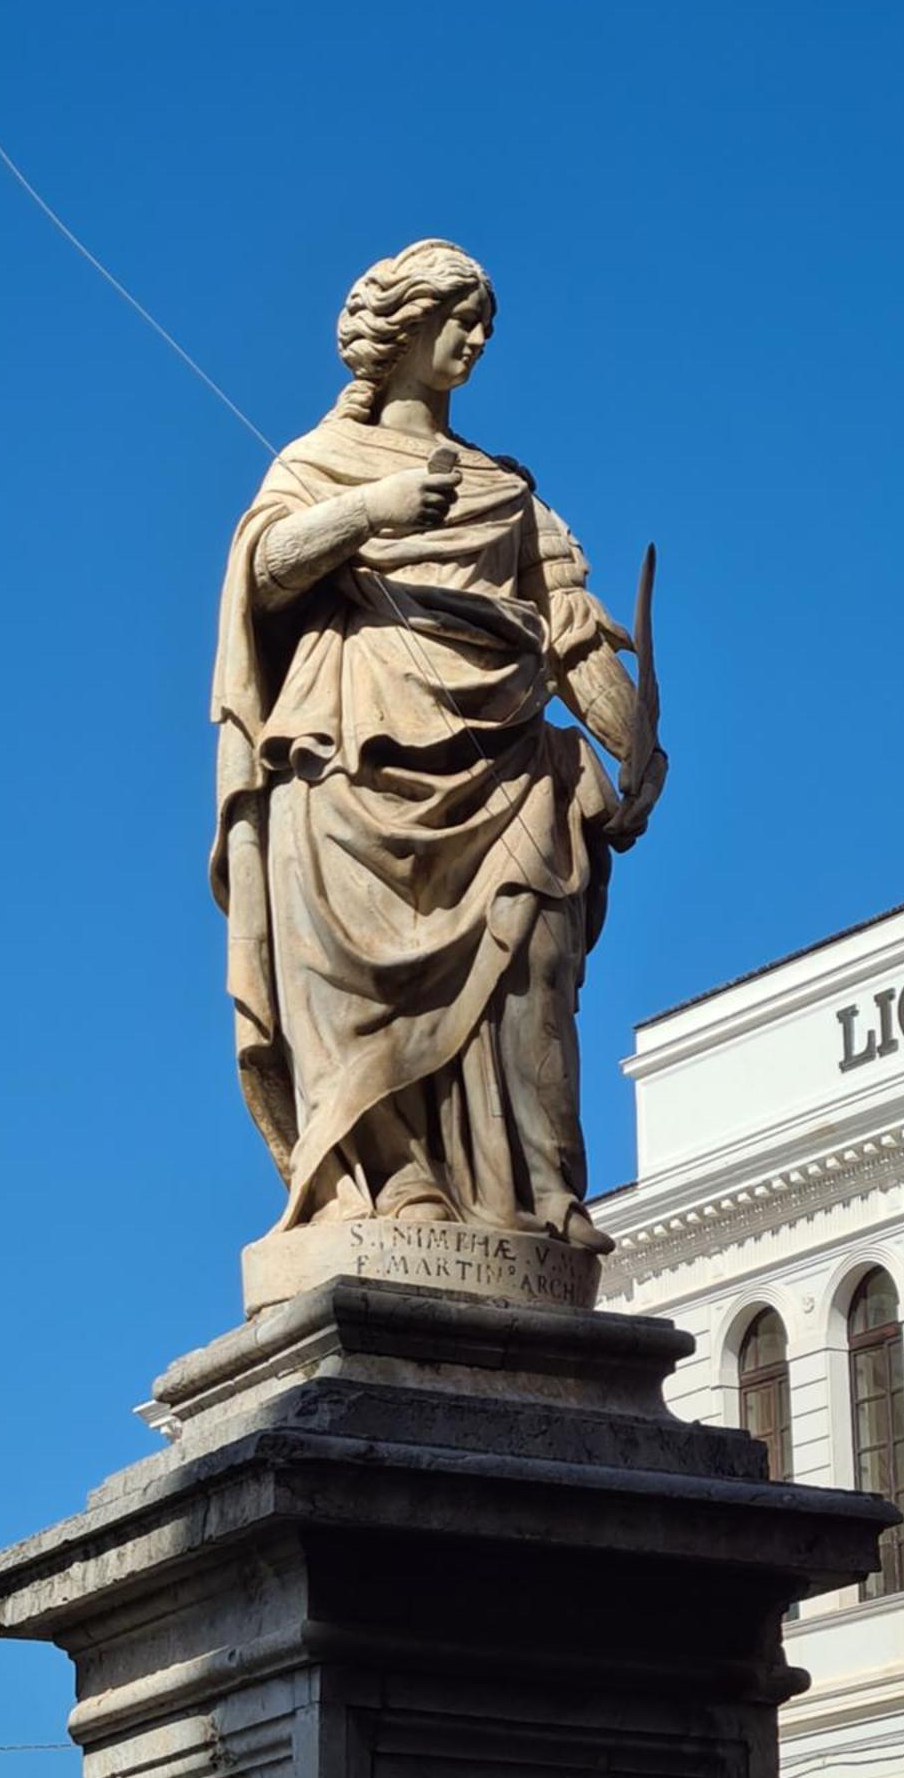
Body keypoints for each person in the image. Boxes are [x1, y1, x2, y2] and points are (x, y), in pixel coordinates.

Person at [211, 240, 666, 1254]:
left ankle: (544, 1189)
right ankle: (396, 1176)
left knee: (535, 965)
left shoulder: (509, 492)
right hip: (349, 751)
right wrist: (368, 511)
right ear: (402, 330)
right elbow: (267, 567)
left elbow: (572, 630)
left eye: (483, 325)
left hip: (502, 759)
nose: (472, 341)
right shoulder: (315, 464)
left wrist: (636, 748)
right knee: (348, 979)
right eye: (455, 320)